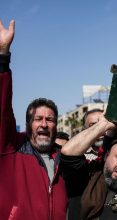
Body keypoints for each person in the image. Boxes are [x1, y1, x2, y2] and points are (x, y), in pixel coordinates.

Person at [0, 20, 67, 219]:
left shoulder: (63, 158)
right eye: (38, 119)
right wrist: (3, 56)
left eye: (50, 119)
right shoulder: (12, 147)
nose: (44, 124)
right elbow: (2, 109)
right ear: (29, 124)